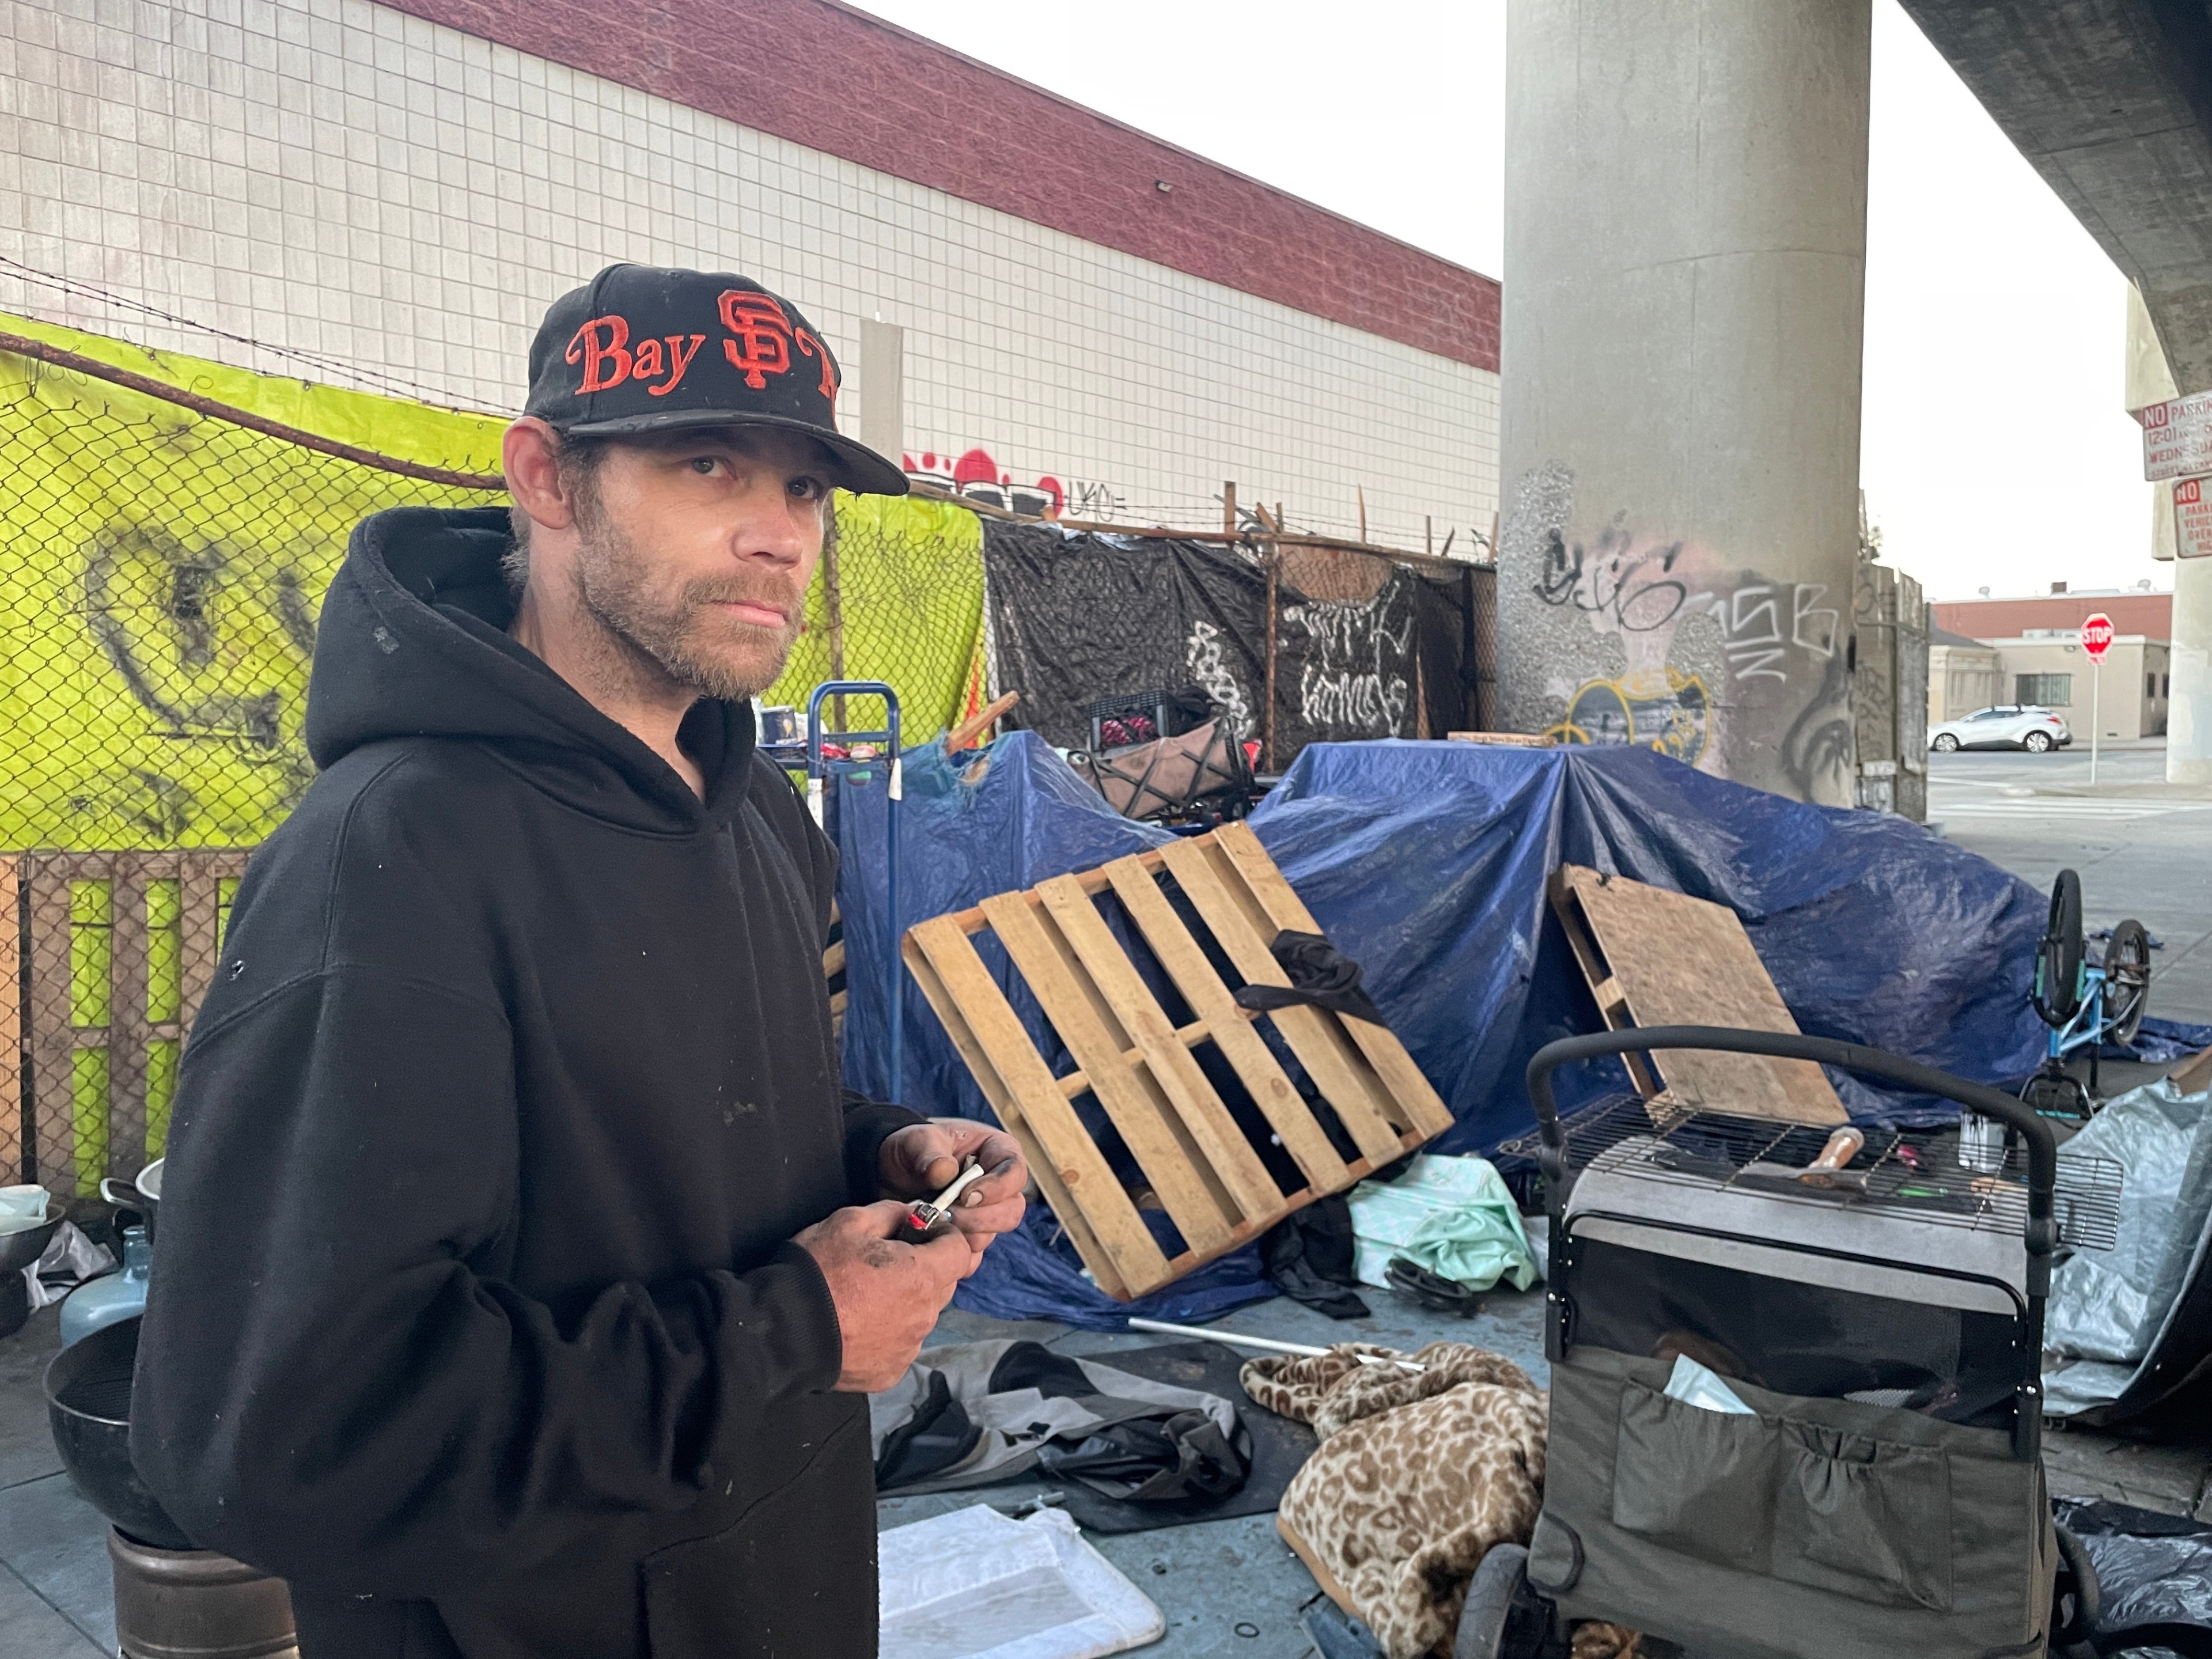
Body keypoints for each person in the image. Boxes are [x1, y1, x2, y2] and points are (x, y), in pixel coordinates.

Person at [132, 264, 1029, 1659]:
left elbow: (662, 1137)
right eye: (707, 463)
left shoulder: (755, 813)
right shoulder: (390, 862)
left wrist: (880, 1154)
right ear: (548, 480)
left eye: (805, 487)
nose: (780, 536)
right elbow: (289, 1437)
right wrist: (795, 1330)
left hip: (780, 1582)